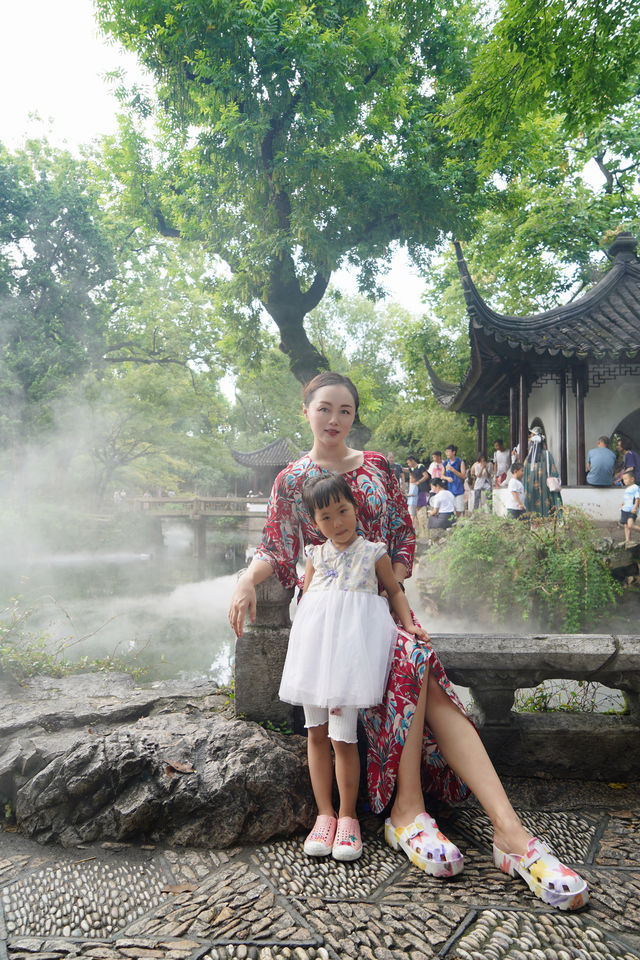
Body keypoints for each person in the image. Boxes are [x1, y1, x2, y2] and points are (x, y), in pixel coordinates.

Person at [228, 372, 588, 908]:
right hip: (329, 629)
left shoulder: (376, 469)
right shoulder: (291, 479)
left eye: (345, 411)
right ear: (306, 410)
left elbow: (401, 534)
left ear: (353, 417)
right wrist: (244, 581)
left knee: (415, 658)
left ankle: (491, 829)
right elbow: (277, 548)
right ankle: (438, 820)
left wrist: (387, 581)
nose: (334, 420)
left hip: (378, 614)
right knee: (409, 673)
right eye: (324, 408)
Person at [280, 472, 429, 861]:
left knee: (343, 738)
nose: (337, 523)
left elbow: (394, 590)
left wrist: (409, 625)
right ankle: (324, 814)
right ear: (314, 523)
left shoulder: (372, 552)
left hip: (349, 660)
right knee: (316, 734)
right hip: (315, 655)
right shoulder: (315, 554)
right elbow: (309, 603)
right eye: (325, 517)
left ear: (355, 508)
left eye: (342, 511)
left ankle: (348, 816)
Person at [522, 427, 562, 517]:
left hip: (530, 490)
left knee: (532, 512)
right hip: (544, 489)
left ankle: (532, 523)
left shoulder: (528, 459)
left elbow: (523, 476)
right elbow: (554, 473)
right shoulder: (547, 455)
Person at [407, 453, 430, 538]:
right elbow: (406, 469)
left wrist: (418, 482)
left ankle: (423, 531)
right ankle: (419, 531)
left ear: (413, 461)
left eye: (409, 462)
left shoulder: (420, 467)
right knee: (416, 510)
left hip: (422, 490)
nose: (408, 464)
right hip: (417, 492)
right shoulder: (412, 469)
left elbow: (426, 476)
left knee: (421, 509)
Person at [444, 445, 466, 517]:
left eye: (448, 451)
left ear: (454, 452)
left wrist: (453, 470)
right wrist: (447, 478)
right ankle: (452, 524)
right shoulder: (445, 463)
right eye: (446, 452)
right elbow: (441, 475)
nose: (446, 453)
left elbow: (463, 476)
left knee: (459, 510)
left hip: (459, 489)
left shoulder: (460, 462)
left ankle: (457, 522)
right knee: (450, 509)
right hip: (449, 490)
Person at [619, 468, 640, 544]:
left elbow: (637, 498)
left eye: (626, 479)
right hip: (625, 509)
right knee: (626, 525)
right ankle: (627, 539)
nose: (624, 481)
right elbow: (627, 498)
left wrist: (635, 507)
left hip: (632, 509)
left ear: (632, 479)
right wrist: (623, 503)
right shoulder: (627, 488)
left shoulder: (635, 487)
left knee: (630, 525)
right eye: (623, 479)